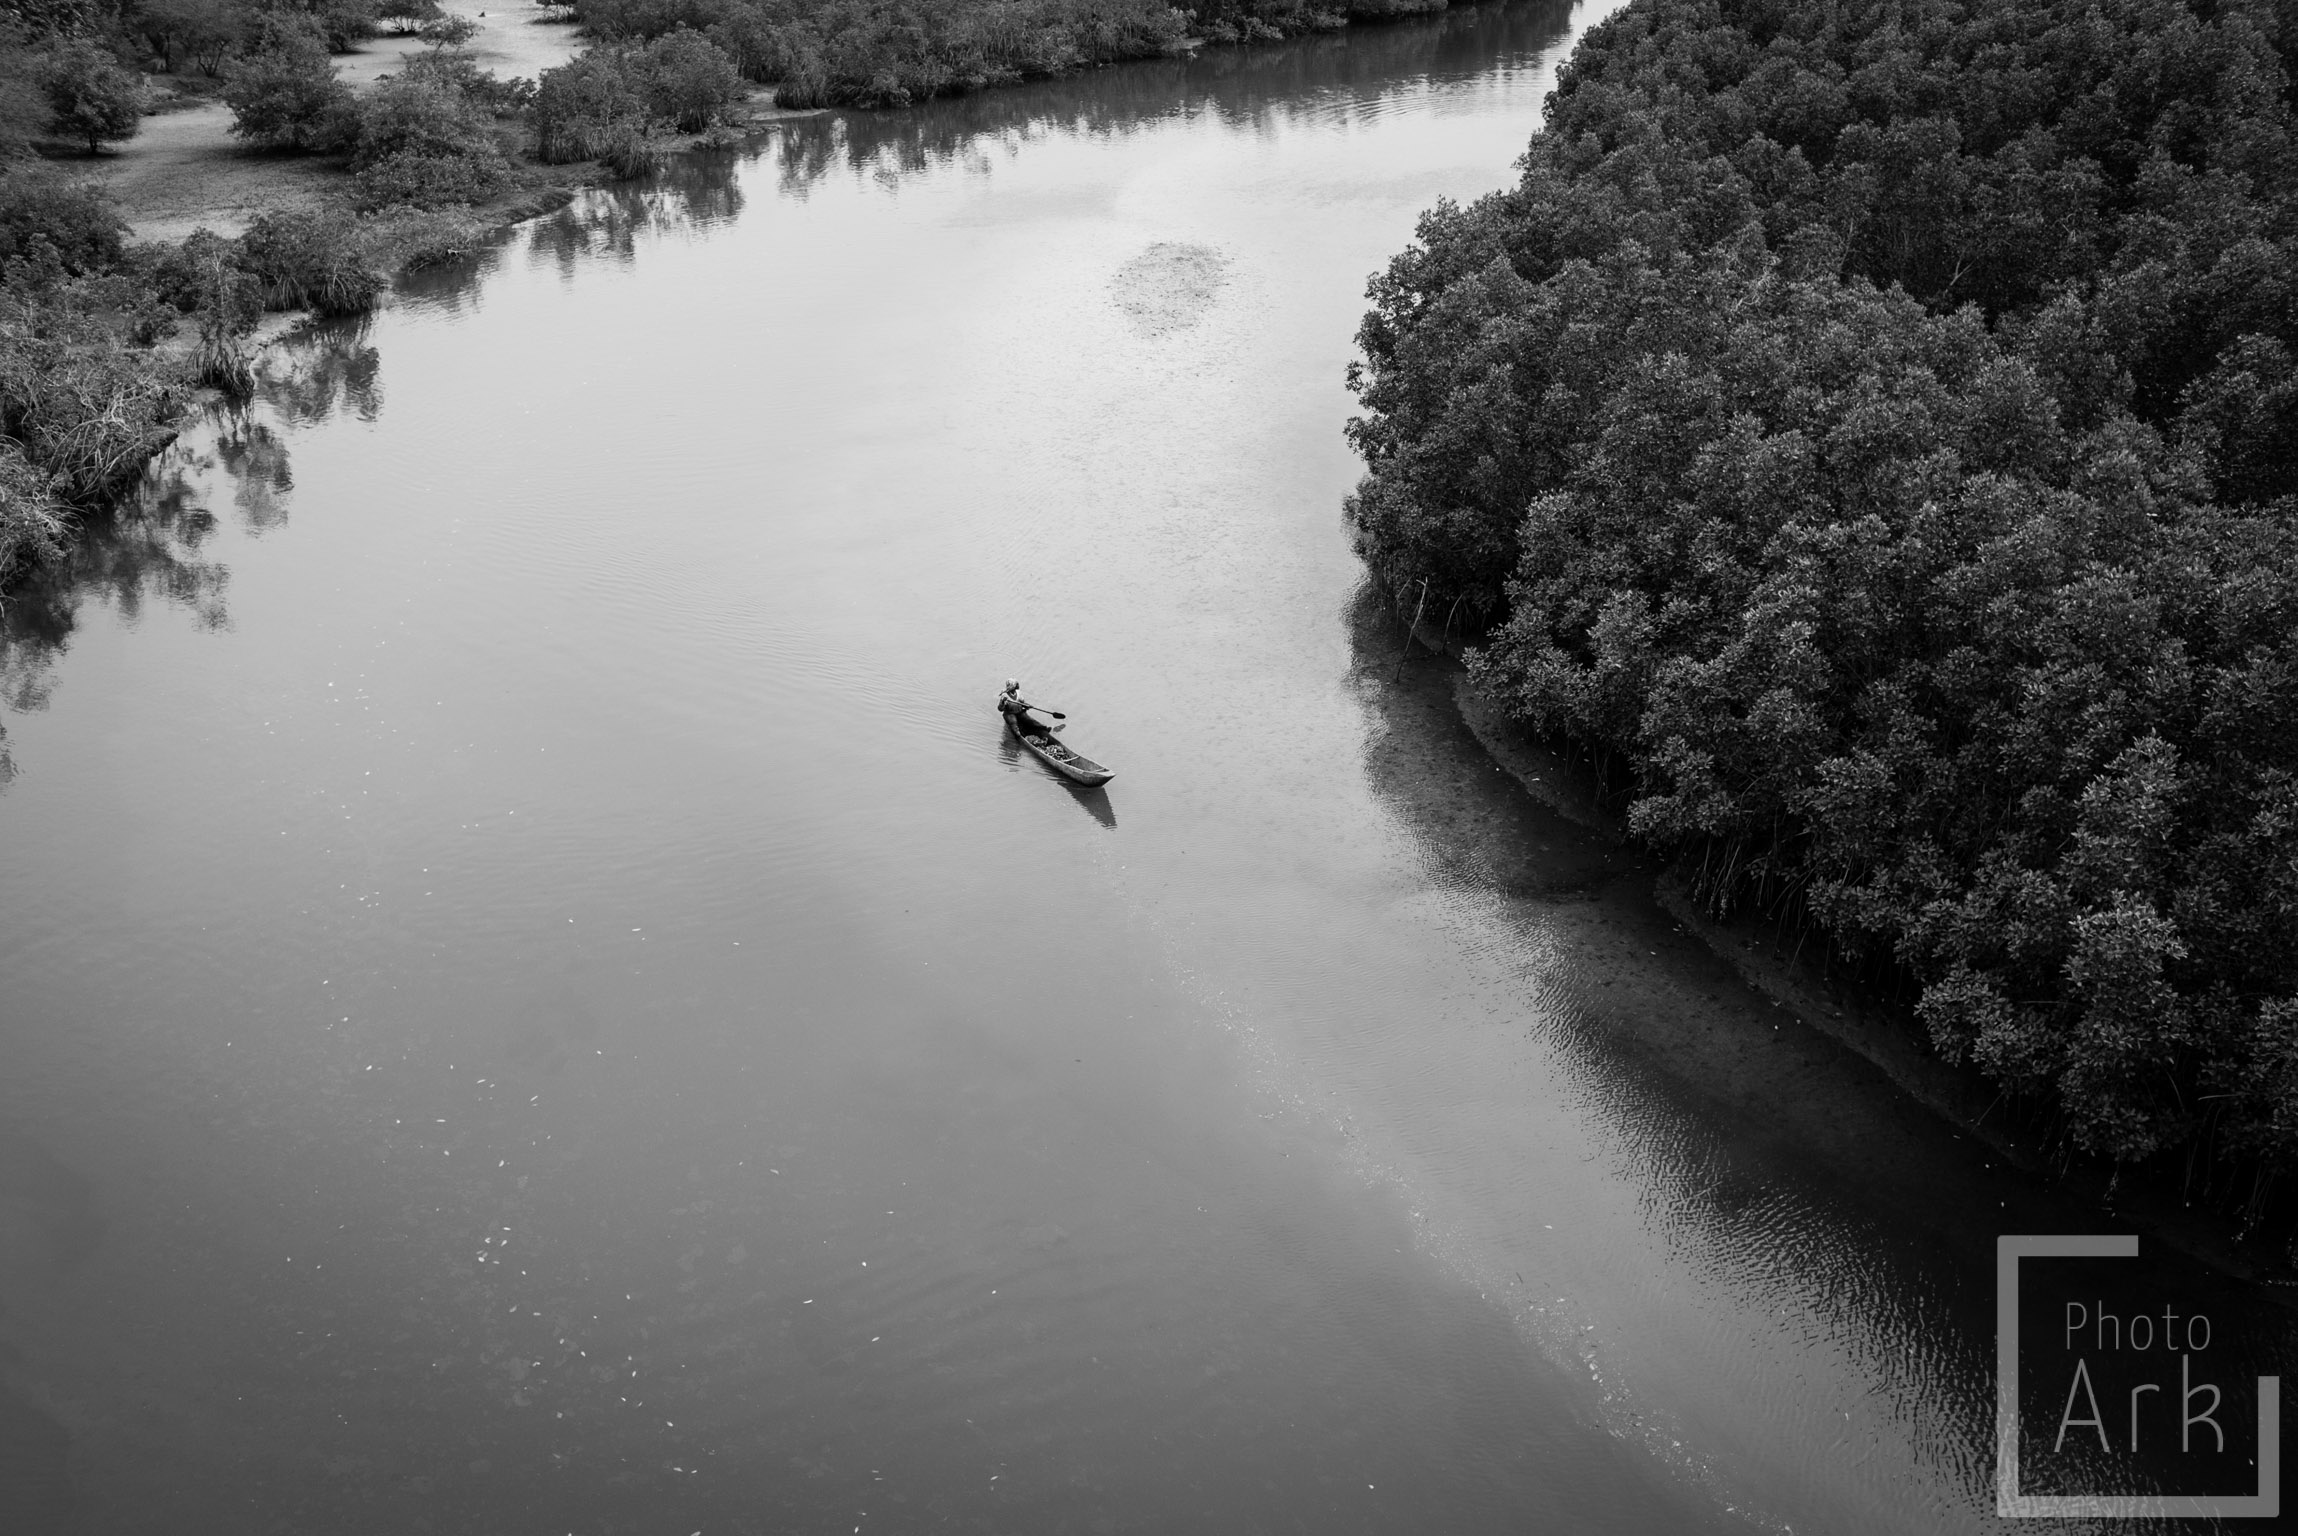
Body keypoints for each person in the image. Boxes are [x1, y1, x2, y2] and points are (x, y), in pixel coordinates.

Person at [998, 679, 1062, 743]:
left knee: (1030, 720)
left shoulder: (1018, 693)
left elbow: (1023, 703)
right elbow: (1000, 708)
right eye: (1014, 686)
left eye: (1015, 686)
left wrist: (1027, 705)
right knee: (1013, 722)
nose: (1015, 687)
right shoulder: (1004, 695)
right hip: (1010, 713)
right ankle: (1017, 734)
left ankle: (1044, 728)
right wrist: (1003, 702)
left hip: (1019, 712)